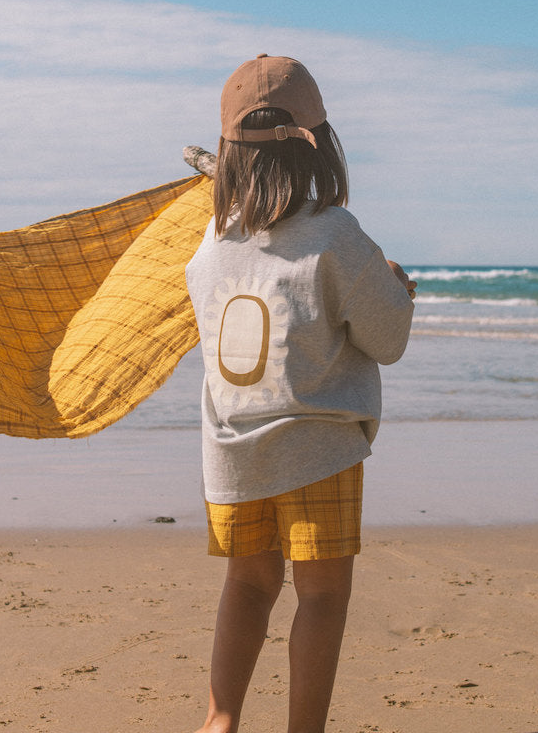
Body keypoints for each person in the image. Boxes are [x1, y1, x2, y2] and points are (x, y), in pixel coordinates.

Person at [185, 54, 416, 733]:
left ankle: (219, 720)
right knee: (319, 598)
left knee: (248, 586)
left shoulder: (212, 239)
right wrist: (392, 286)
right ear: (321, 148)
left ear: (228, 156)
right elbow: (387, 339)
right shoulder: (335, 235)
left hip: (231, 451)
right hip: (316, 447)